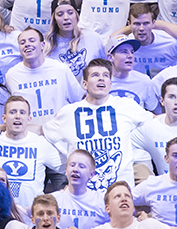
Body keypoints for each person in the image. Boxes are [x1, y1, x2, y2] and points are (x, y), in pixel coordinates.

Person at [39, 59, 152, 192]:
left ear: (110, 83)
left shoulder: (126, 105)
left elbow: (156, 123)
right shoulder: (69, 112)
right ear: (85, 84)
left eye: (105, 75)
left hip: (120, 193)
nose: (101, 79)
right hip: (84, 195)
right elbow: (42, 131)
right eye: (95, 75)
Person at [0, 95, 62, 206]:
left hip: (31, 213)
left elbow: (65, 167)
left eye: (22, 112)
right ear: (4, 118)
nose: (18, 116)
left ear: (29, 119)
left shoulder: (41, 144)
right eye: (13, 112)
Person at [4, 26, 84, 123]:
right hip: (29, 134)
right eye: (22, 42)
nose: (27, 44)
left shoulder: (60, 69)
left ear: (42, 45)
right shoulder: (12, 75)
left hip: (60, 131)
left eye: (32, 40)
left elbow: (79, 101)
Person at [132, 77, 177, 177]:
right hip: (167, 187)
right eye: (171, 97)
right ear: (162, 101)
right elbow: (126, 143)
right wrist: (144, 166)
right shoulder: (150, 127)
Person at [45, 0, 107, 80]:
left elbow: (106, 67)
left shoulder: (93, 38)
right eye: (60, 14)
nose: (66, 18)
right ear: (54, 19)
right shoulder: (47, 45)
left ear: (76, 15)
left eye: (70, 13)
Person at [50, 149, 108, 229]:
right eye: (72, 165)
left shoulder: (101, 201)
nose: (75, 169)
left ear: (91, 174)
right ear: (66, 170)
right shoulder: (53, 200)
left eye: (81, 166)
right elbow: (25, 214)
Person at [107, 34, 159, 112]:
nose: (130, 56)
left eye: (132, 52)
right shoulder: (101, 81)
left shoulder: (143, 80)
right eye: (124, 52)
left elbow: (154, 110)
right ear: (110, 57)